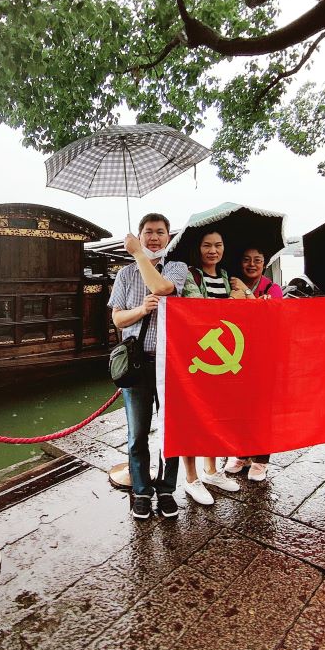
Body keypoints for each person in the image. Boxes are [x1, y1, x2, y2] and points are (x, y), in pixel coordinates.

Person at [107, 213, 189, 520]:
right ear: (139, 235)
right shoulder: (125, 274)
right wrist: (141, 309)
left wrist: (139, 255)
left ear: (169, 237)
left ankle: (166, 489)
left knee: (172, 431)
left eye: (160, 232)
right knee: (137, 433)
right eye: (148, 232)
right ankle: (141, 490)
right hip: (138, 362)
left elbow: (163, 288)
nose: (154, 237)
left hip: (171, 363)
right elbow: (118, 319)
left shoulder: (177, 268)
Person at [179, 230, 247, 506]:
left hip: (222, 359)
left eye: (218, 245)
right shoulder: (190, 275)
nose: (213, 250)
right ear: (198, 248)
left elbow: (242, 312)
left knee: (215, 416)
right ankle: (191, 478)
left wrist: (243, 292)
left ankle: (211, 470)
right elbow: (199, 309)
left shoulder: (227, 277)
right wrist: (234, 301)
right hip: (196, 356)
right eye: (207, 245)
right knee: (191, 416)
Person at [225, 246, 284, 481]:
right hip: (237, 354)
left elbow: (274, 317)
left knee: (263, 408)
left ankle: (261, 459)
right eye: (246, 260)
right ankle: (241, 453)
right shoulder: (230, 284)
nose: (252, 264)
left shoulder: (272, 289)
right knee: (239, 406)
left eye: (257, 260)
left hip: (264, 355)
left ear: (264, 263)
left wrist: (248, 294)